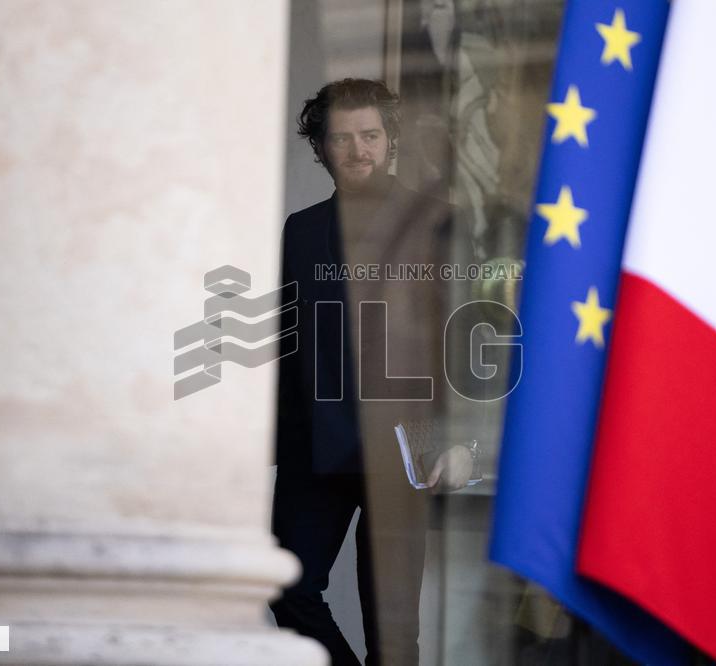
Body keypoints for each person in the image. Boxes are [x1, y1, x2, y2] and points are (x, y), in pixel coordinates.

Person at [270, 78, 477, 666]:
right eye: (342, 138)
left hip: (407, 450)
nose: (358, 150)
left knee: (394, 631)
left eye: (370, 135)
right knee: (288, 588)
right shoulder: (301, 230)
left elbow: (466, 339)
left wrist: (463, 440)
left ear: (390, 142)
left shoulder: (440, 223)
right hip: (317, 446)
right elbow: (290, 342)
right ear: (321, 148)